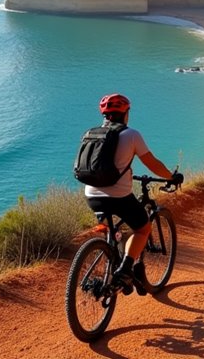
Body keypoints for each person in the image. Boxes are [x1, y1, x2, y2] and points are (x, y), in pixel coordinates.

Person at [84, 93, 182, 295]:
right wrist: (171, 177)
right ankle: (125, 269)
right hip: (118, 196)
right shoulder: (131, 135)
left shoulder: (91, 133)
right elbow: (153, 164)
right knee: (143, 228)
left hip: (91, 194)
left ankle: (113, 253)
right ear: (125, 114)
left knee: (114, 228)